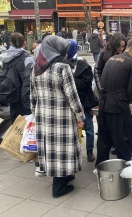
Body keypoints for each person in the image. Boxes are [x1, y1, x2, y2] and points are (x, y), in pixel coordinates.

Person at [31, 35, 85, 198]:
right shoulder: (62, 67)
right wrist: (80, 116)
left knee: (52, 148)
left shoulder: (36, 66)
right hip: (61, 115)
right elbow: (72, 95)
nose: (65, 54)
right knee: (63, 148)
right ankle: (59, 187)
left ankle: (66, 175)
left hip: (43, 115)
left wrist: (34, 113)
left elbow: (32, 94)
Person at [95, 38, 132, 166]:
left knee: (104, 140)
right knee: (125, 139)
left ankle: (101, 168)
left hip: (104, 104)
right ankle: (124, 168)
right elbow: (130, 91)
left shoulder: (112, 59)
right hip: (118, 106)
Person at [67, 40, 98, 162]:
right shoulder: (62, 62)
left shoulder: (83, 63)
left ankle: (89, 150)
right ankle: (73, 152)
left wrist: (70, 80)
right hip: (69, 101)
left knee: (89, 127)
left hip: (84, 101)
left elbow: (86, 83)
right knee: (70, 128)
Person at [0, 32, 34, 123]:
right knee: (25, 126)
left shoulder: (5, 57)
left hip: (11, 94)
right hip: (24, 96)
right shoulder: (27, 59)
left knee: (15, 125)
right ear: (24, 43)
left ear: (11, 43)